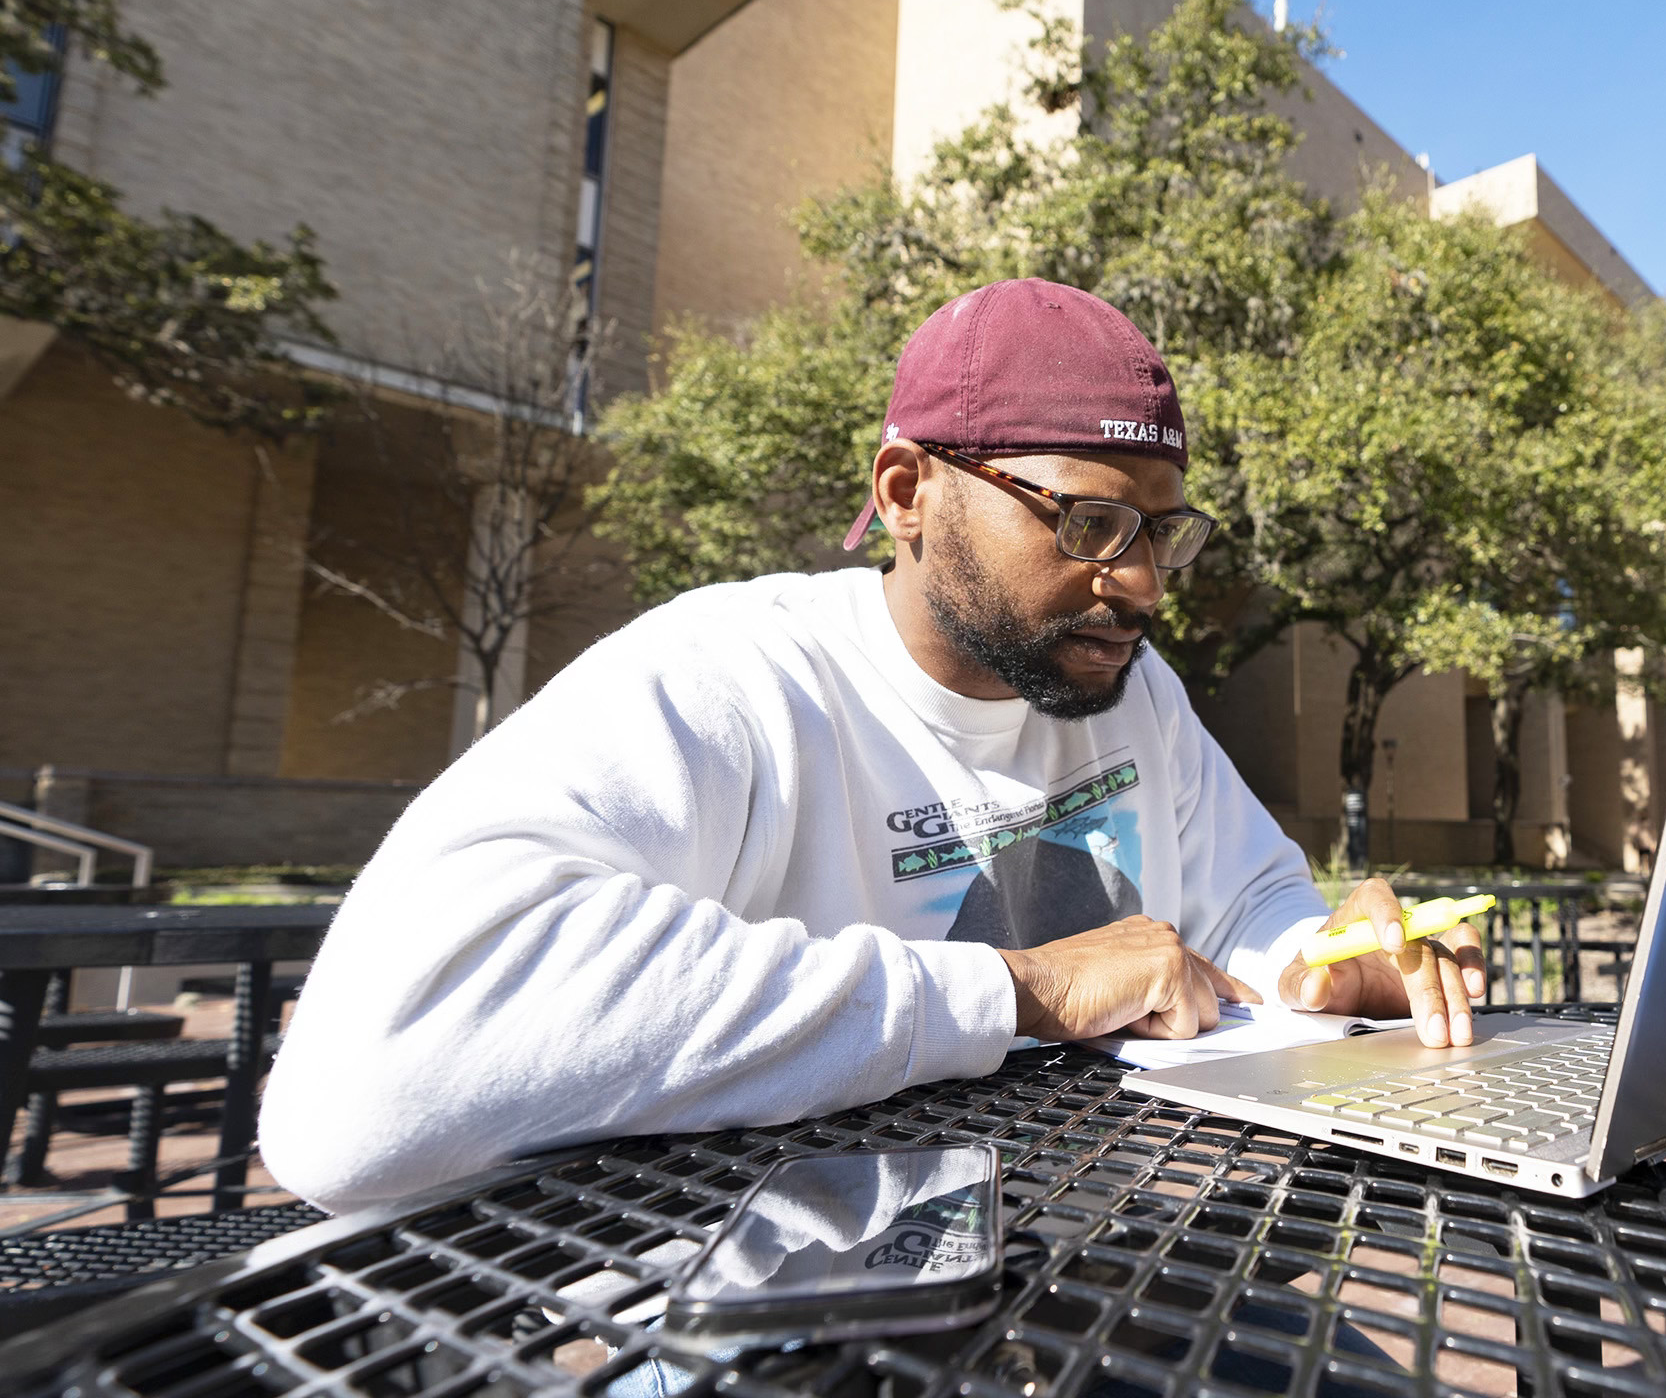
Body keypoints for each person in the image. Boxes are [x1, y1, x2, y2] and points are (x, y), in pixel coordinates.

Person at [260, 280, 1486, 1212]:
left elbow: (1250, 897)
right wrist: (1022, 991)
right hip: (769, 1319)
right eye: (1092, 521)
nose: (1144, 586)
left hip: (1091, 1263)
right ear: (908, 492)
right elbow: (360, 1097)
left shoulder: (1131, 690)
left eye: (1164, 534)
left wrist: (1310, 957)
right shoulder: (731, 678)